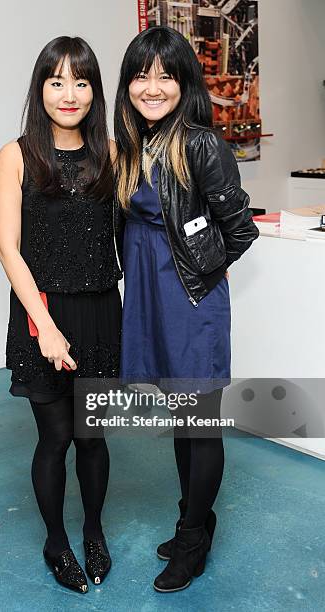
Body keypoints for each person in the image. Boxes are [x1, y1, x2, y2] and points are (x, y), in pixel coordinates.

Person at [114, 26, 259, 593]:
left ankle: (193, 537)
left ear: (184, 82)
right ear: (128, 83)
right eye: (142, 75)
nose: (153, 87)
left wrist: (206, 268)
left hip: (190, 300)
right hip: (149, 296)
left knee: (200, 425)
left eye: (166, 75)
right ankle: (195, 519)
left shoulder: (200, 143)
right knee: (182, 419)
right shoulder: (134, 144)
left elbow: (240, 228)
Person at [0, 36, 122, 594]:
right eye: (57, 81)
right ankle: (56, 541)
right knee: (55, 438)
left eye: (82, 81)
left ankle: (93, 532)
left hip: (99, 312)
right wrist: (45, 327)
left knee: (94, 437)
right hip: (41, 311)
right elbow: (8, 248)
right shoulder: (16, 155)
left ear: (94, 89)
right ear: (41, 88)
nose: (69, 94)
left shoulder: (112, 153)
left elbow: (137, 232)